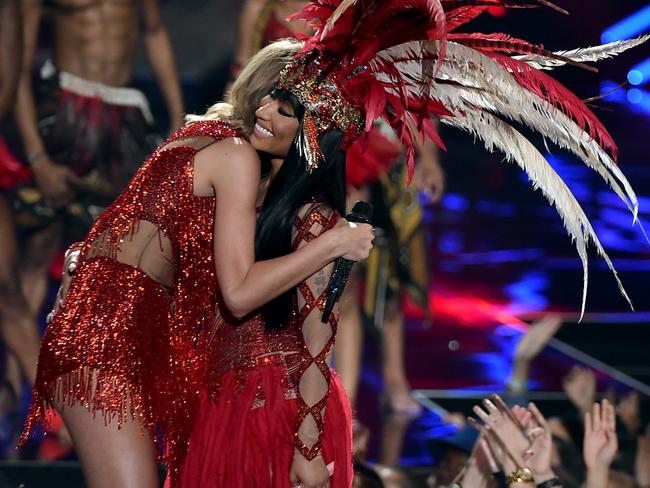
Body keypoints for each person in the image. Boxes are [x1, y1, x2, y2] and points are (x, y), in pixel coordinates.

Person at [20, 39, 375, 488]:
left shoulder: (206, 136)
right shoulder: (238, 158)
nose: (265, 111)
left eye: (284, 108)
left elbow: (131, 225)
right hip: (108, 343)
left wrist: (84, 263)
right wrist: (334, 243)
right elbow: (240, 294)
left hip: (103, 333)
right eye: (269, 97)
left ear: (314, 130)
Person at [4, 0, 184, 367]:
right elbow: (18, 69)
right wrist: (38, 158)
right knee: (40, 244)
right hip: (64, 114)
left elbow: (153, 31)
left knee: (131, 246)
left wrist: (179, 114)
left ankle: (112, 369)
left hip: (123, 119)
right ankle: (22, 380)